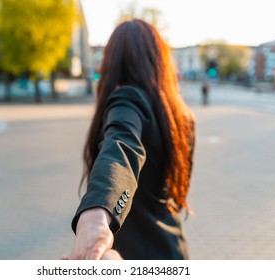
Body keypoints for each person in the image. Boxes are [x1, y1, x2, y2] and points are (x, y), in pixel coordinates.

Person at [69, 19, 196, 260]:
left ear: (113, 61)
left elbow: (121, 146)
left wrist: (97, 212)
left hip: (135, 254)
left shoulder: (127, 98)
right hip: (174, 249)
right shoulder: (182, 115)